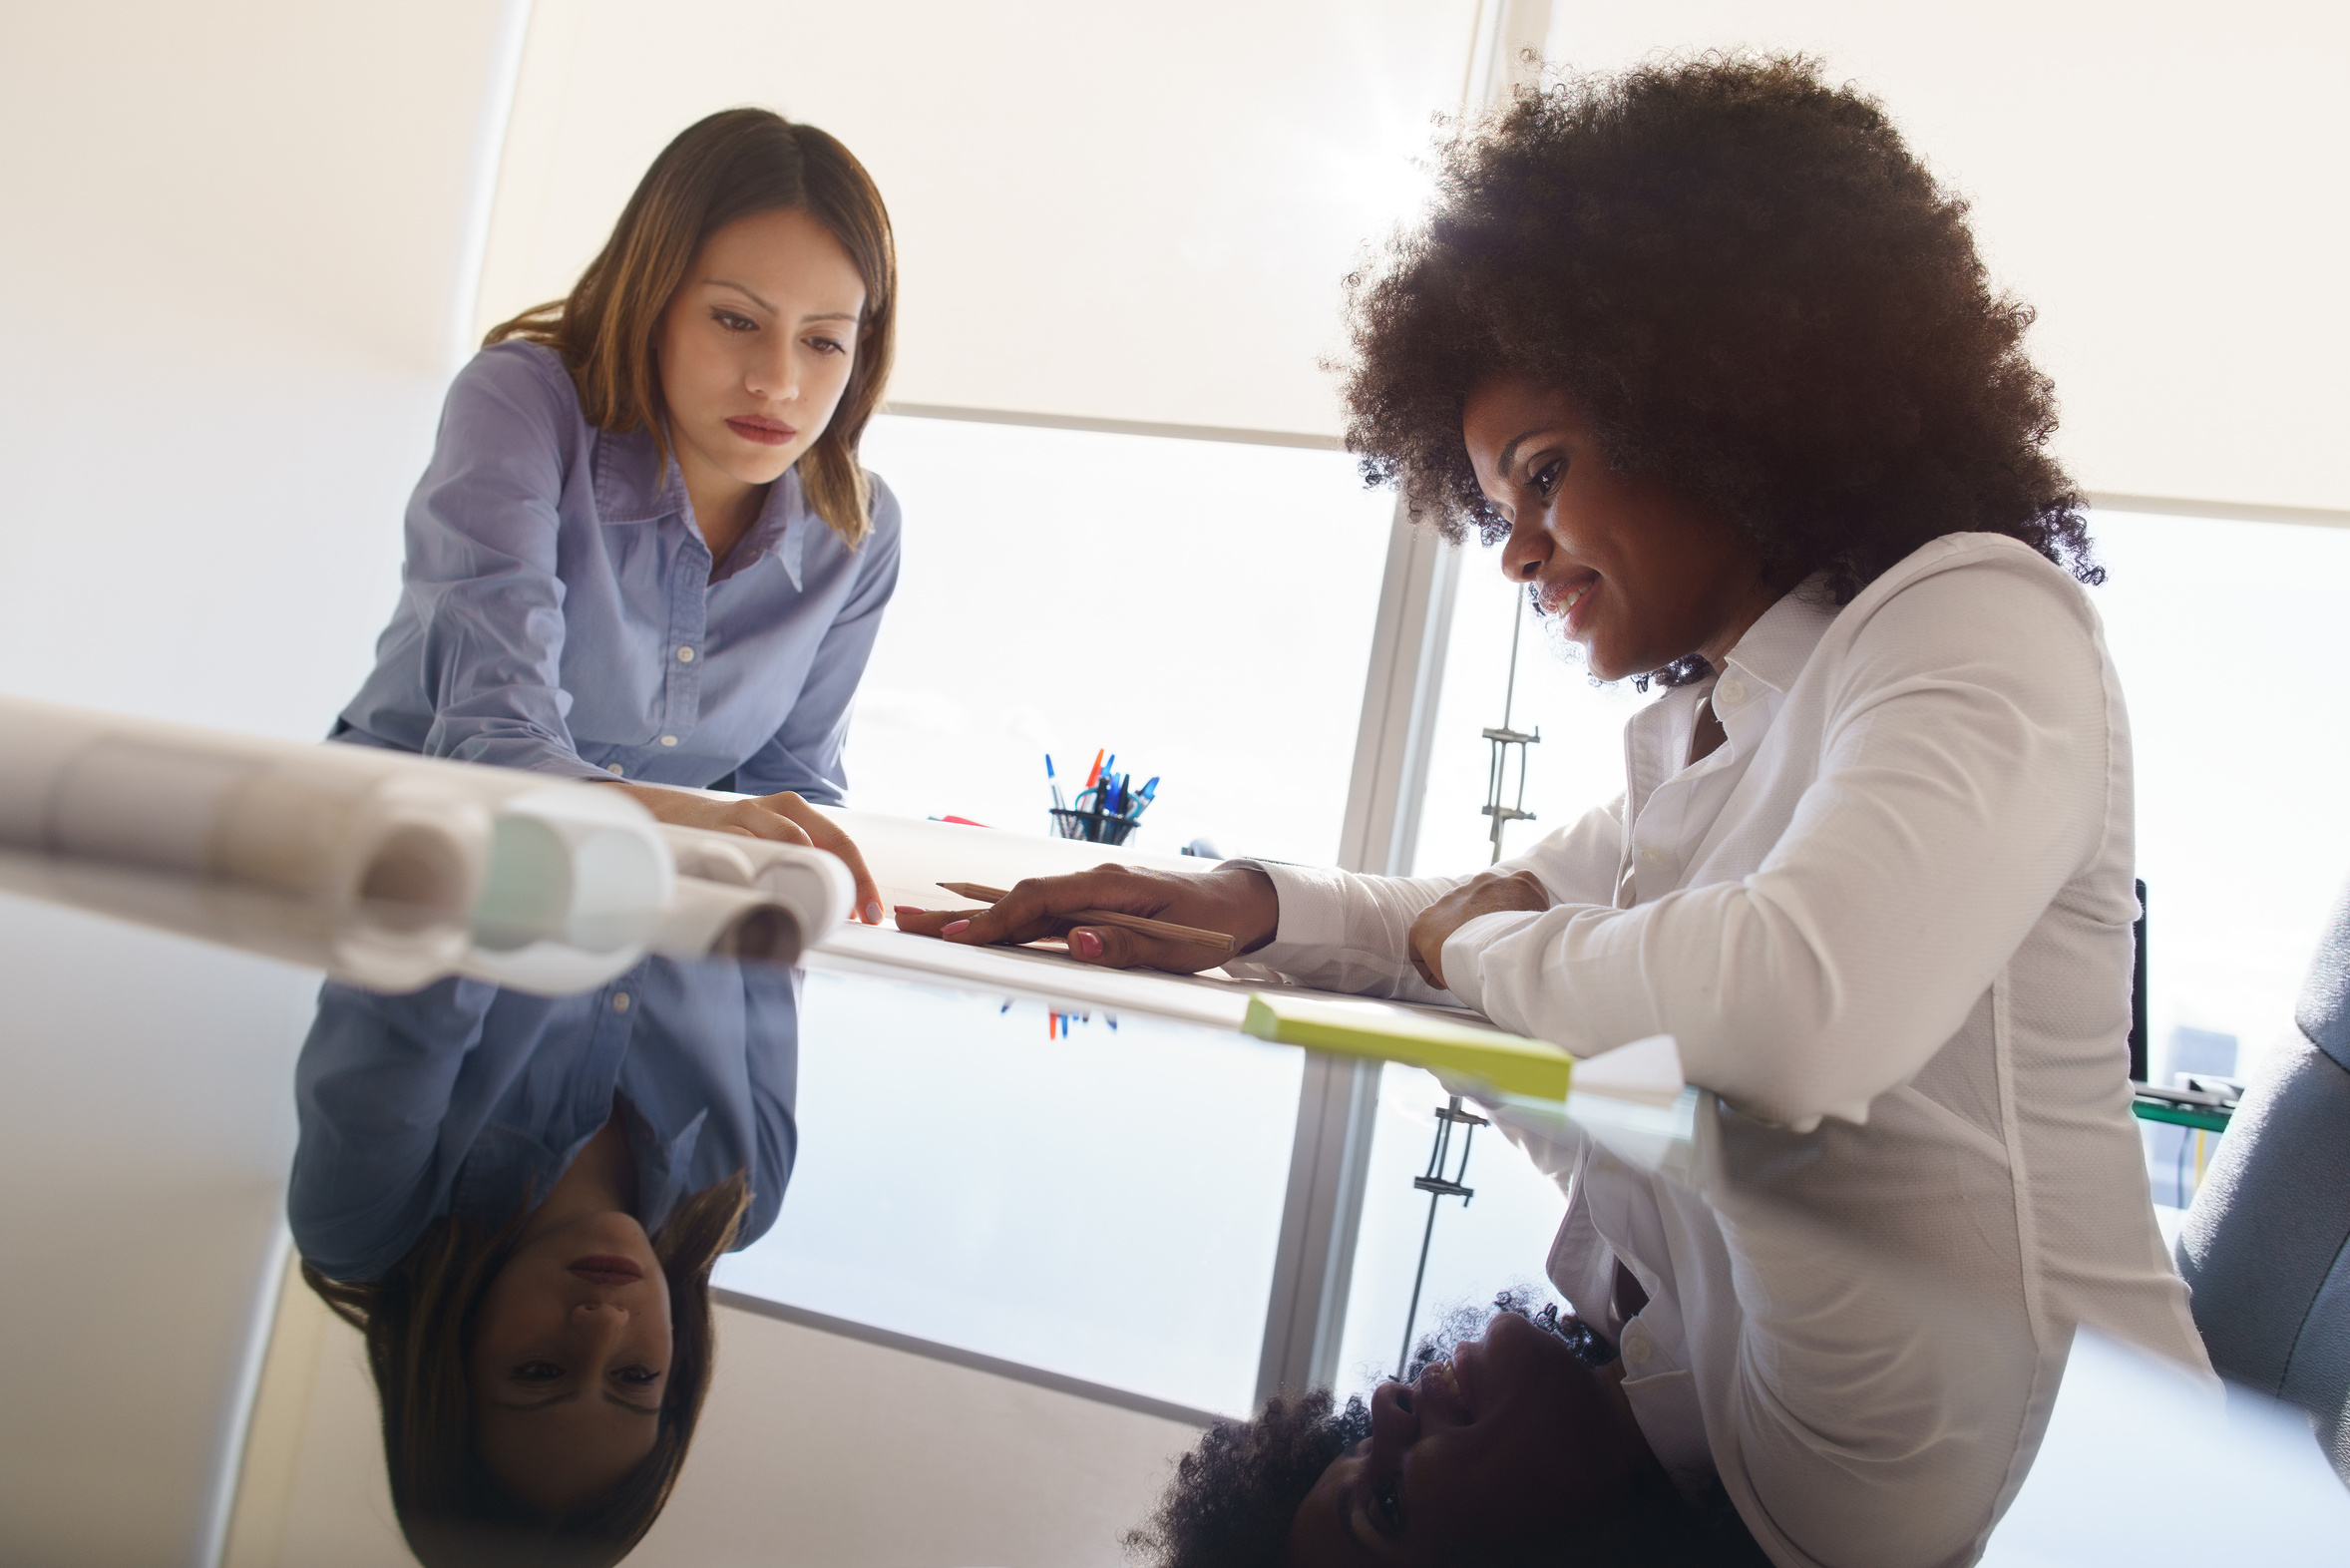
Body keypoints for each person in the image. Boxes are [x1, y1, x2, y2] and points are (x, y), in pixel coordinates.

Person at [901, 55, 2210, 1568]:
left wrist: (1484, 959)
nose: (1515, 555)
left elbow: (1779, 1012)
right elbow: (1472, 923)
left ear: (1725, 395)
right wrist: (1247, 908)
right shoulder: (1719, 734)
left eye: (1541, 476)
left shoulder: (1968, 616)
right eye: (1494, 505)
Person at [333, 107, 898, 924]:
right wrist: (696, 823)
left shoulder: (859, 531)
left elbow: (793, 799)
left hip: (662, 927)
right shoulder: (522, 403)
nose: (778, 381)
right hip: (432, 897)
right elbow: (493, 737)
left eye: (823, 341)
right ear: (655, 296)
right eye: (736, 320)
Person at [295, 957, 797, 1567]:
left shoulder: (366, 1218)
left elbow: (435, 923)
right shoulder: (740, 1194)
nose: (603, 1323)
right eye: (635, 1378)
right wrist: (802, 870)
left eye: (537, 1372)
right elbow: (775, 931)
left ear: (451, 1359)